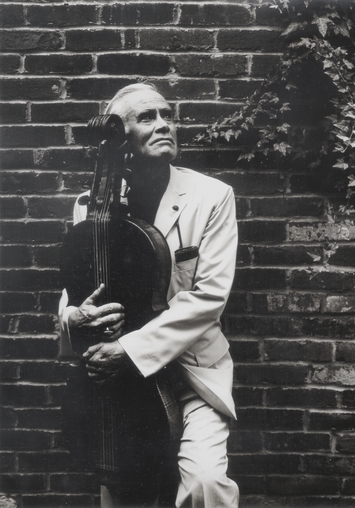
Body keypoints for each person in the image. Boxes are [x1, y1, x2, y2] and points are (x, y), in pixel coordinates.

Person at [59, 83, 239, 508]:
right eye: (147, 118)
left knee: (205, 484)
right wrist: (74, 318)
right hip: (120, 383)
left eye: (166, 114)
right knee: (122, 492)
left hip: (191, 373)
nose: (163, 124)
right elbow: (78, 288)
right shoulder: (91, 205)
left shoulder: (212, 196)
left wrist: (129, 347)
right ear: (120, 138)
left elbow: (209, 297)